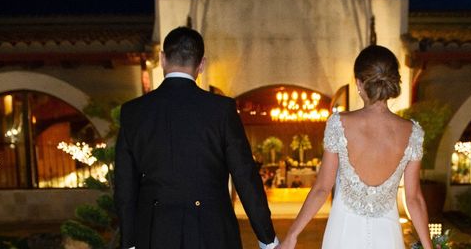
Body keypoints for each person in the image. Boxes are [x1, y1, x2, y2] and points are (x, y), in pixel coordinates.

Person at [114, 27, 278, 249]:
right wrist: (267, 238)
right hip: (212, 231)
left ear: (162, 59)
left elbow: (125, 184)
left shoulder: (133, 112)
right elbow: (245, 177)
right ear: (201, 64)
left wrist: (130, 242)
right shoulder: (221, 110)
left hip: (155, 232)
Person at [278, 45, 433, 249]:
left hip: (342, 236)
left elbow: (322, 189)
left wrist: (292, 236)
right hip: (388, 238)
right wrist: (428, 247)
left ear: (359, 83)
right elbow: (414, 199)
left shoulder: (339, 124)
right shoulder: (412, 132)